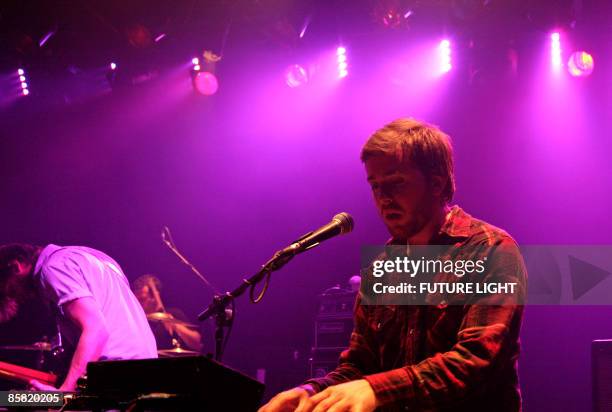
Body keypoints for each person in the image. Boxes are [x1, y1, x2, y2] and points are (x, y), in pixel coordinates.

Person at [260, 118, 526, 412]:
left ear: (436, 183)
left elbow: (476, 361)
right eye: (375, 186)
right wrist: (311, 392)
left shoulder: (489, 249)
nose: (383, 198)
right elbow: (360, 367)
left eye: (397, 183)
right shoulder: (380, 269)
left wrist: (376, 389)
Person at [0, 243, 157, 391]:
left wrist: (67, 391)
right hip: (145, 370)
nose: (16, 297)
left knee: (12, 400)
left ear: (15, 266)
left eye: (9, 291)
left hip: (114, 375)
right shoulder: (91, 257)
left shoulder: (53, 268)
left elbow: (96, 329)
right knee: (21, 400)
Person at [132, 274, 203, 352]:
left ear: (154, 298)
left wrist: (175, 325)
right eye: (136, 300)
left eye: (142, 299)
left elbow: (197, 343)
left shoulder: (174, 313)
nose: (138, 303)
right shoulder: (135, 320)